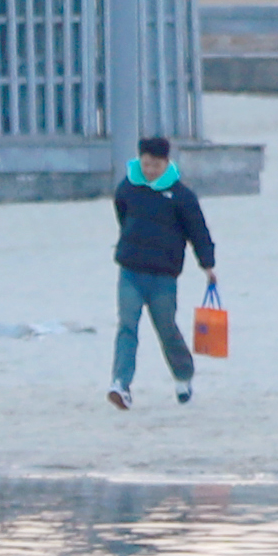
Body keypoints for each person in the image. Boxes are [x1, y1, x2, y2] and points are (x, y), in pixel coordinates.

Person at [110, 135, 217, 411]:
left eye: (156, 165)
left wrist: (207, 264)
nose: (150, 170)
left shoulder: (181, 195)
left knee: (166, 329)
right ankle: (120, 384)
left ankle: (183, 376)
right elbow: (122, 213)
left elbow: (198, 231)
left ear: (166, 163)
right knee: (127, 327)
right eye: (146, 164)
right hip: (131, 271)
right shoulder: (128, 187)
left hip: (163, 276)